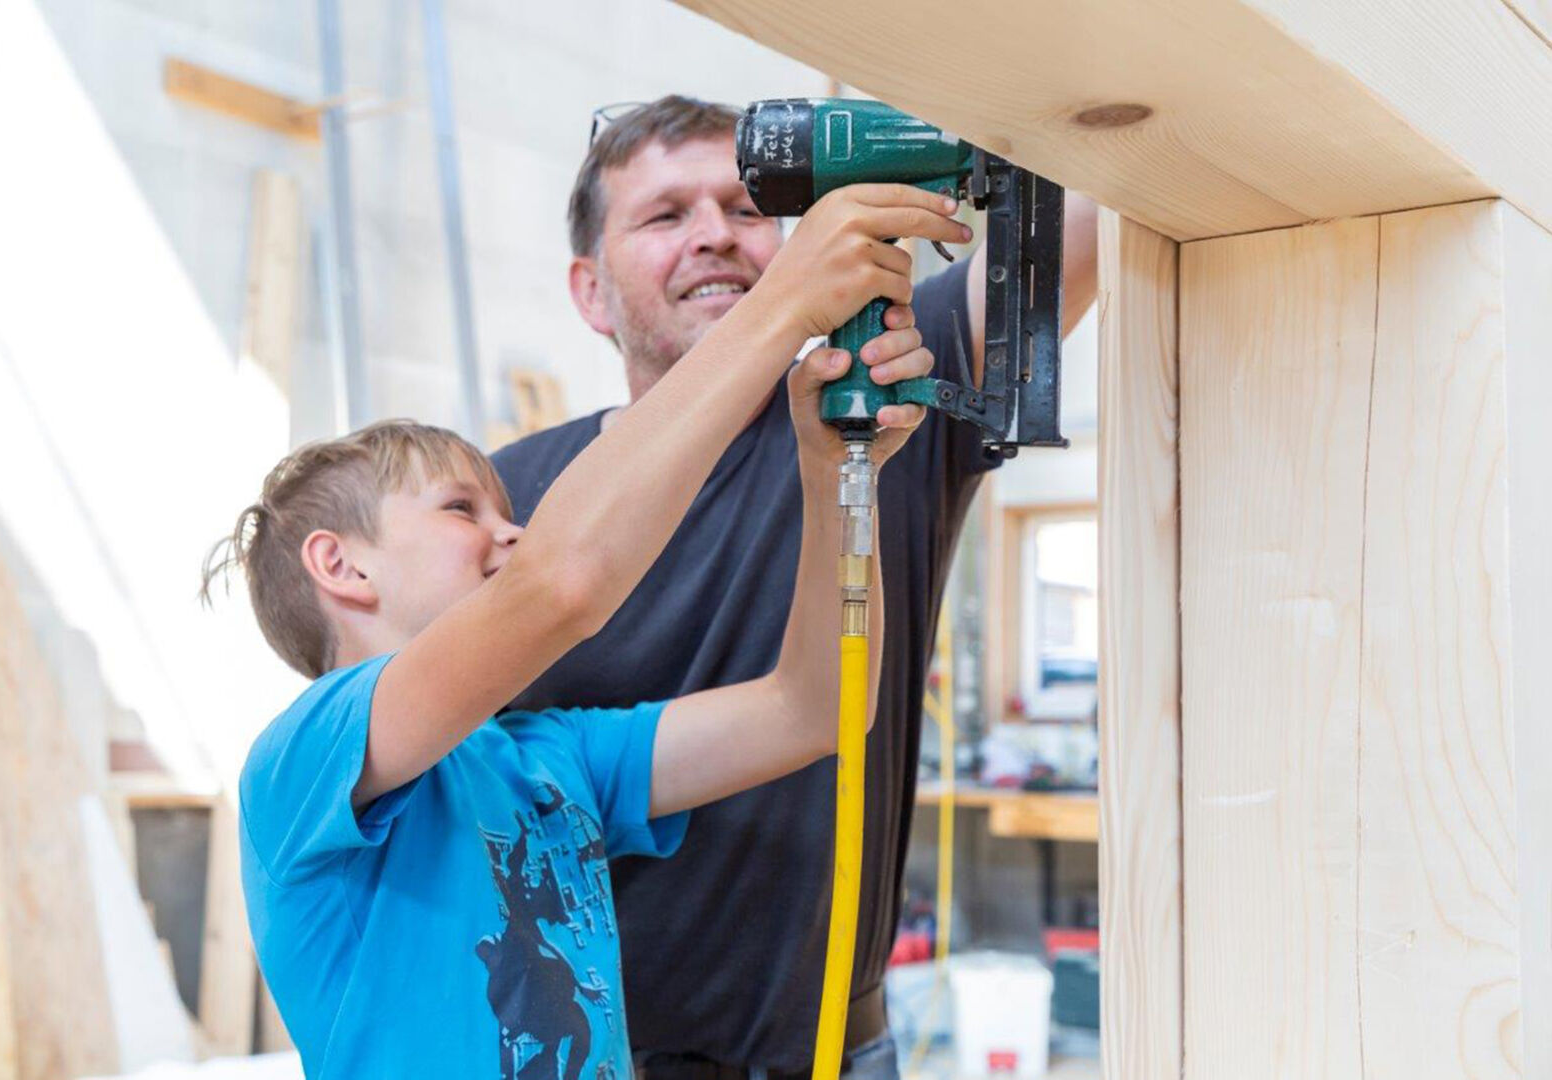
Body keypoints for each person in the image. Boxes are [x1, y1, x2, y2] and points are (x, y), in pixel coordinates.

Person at [205, 180, 964, 1079]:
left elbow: (815, 706)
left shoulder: (546, 759)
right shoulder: (308, 757)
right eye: (460, 509)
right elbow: (561, 585)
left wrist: (829, 466)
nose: (511, 531)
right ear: (341, 566)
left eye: (504, 509)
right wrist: (780, 307)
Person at [492, 96, 1099, 1079]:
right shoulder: (509, 498)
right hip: (590, 1054)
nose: (715, 239)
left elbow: (1095, 203)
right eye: (664, 216)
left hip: (832, 1051)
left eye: (746, 208)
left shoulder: (881, 394)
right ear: (591, 292)